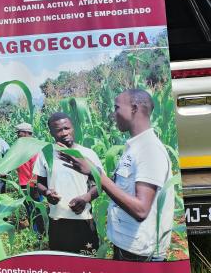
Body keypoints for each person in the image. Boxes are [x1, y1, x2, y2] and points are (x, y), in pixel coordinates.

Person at [60, 89, 174, 261]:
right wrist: (86, 197)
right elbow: (117, 185)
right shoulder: (135, 148)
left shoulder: (149, 149)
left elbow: (141, 210)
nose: (113, 114)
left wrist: (96, 174)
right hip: (127, 246)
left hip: (140, 255)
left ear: (134, 108)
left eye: (116, 108)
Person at [33, 112, 103, 255]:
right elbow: (39, 183)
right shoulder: (45, 154)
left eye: (67, 128)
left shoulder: (88, 154)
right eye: (59, 130)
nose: (64, 133)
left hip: (83, 220)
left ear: (73, 128)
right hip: (57, 221)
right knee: (61, 265)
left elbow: (100, 185)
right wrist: (47, 193)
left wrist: (86, 197)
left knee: (87, 265)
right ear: (51, 133)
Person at [14, 122, 44, 234]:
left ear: (27, 133)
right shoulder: (22, 147)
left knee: (37, 210)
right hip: (24, 184)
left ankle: (40, 233)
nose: (17, 135)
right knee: (29, 209)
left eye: (19, 133)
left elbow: (36, 169)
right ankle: (35, 231)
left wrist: (35, 186)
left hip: (32, 185)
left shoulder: (33, 148)